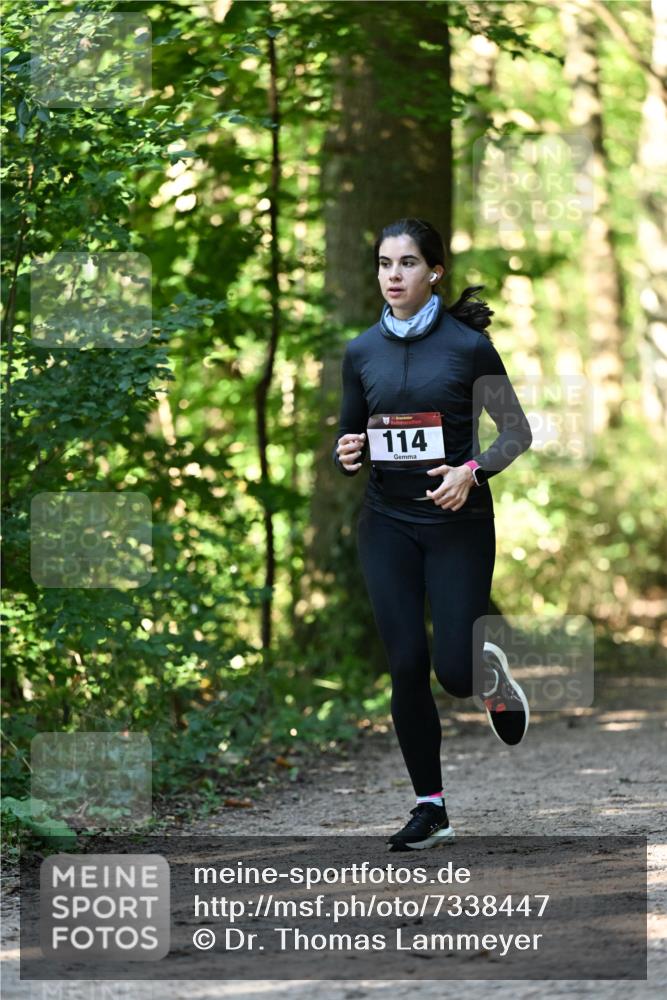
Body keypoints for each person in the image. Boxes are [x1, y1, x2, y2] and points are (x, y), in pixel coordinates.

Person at [332, 218, 533, 851]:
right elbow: (350, 437)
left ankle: (485, 672)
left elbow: (517, 432)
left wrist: (471, 471)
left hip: (456, 526)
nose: (393, 275)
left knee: (452, 671)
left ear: (434, 272)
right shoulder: (361, 352)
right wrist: (347, 451)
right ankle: (431, 808)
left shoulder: (468, 348)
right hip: (386, 524)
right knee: (406, 664)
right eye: (385, 264)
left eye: (408, 263)